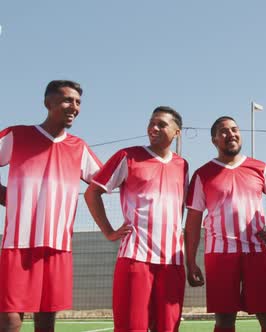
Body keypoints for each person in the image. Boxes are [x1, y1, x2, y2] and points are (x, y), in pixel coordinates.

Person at [0, 80, 102, 332]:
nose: (74, 107)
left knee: (46, 320)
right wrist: (7, 196)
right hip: (18, 243)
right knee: (10, 318)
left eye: (78, 102)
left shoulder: (78, 147)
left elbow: (108, 181)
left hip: (57, 245)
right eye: (68, 100)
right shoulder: (18, 135)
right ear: (48, 103)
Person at [184, 116, 266, 332]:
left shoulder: (259, 168)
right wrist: (191, 261)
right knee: (224, 322)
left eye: (235, 129)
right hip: (220, 255)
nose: (231, 134)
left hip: (257, 252)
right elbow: (193, 223)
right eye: (224, 131)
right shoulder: (202, 174)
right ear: (214, 140)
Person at [84, 106, 188, 331]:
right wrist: (109, 232)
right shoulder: (127, 156)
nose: (154, 128)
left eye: (161, 124)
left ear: (177, 132)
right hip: (135, 257)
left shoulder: (182, 165)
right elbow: (92, 192)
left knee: (168, 327)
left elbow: (179, 209)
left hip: (172, 261)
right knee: (132, 326)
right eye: (151, 123)